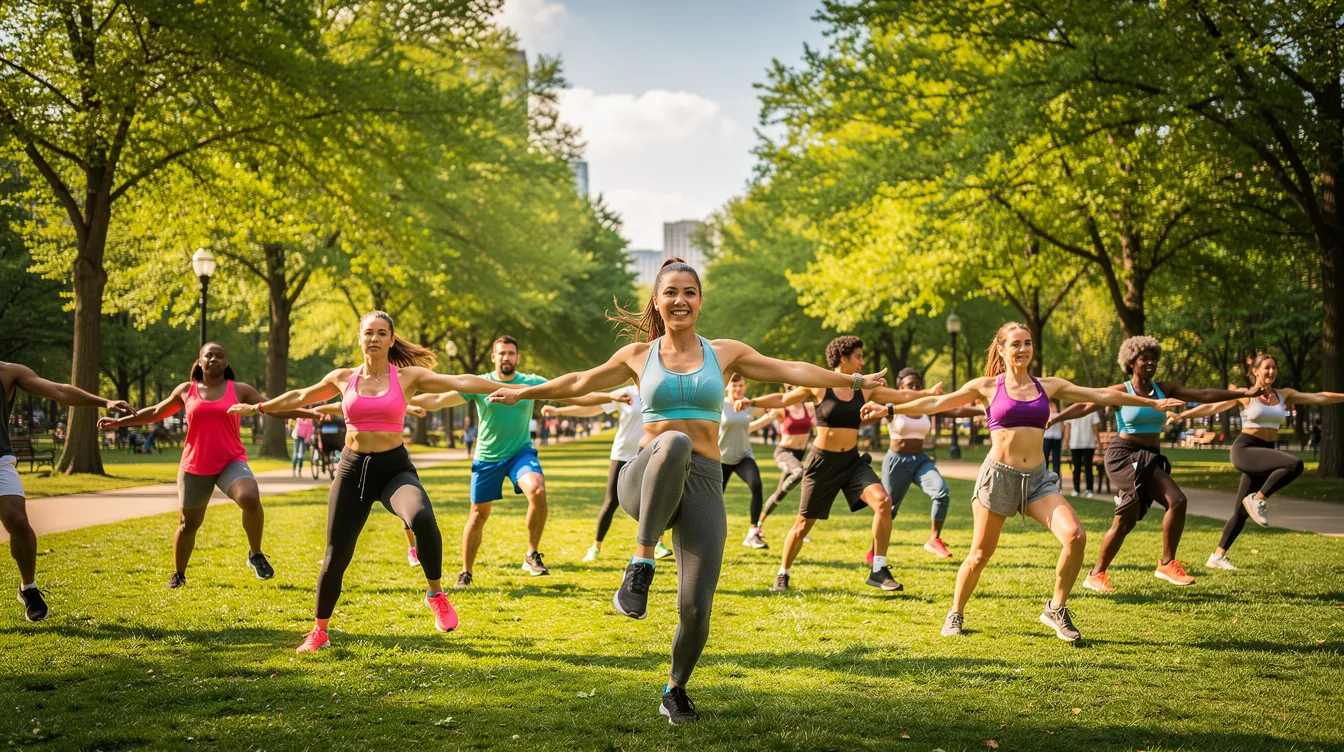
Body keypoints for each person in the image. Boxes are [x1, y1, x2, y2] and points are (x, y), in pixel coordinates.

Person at [483, 258, 890, 724]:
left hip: (703, 481)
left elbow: (792, 368)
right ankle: (641, 562)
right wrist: (523, 393)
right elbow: (579, 380)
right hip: (645, 476)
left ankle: (675, 689)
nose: (680, 300)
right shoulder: (639, 355)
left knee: (696, 606)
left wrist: (852, 380)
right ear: (657, 301)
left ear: (700, 301)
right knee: (674, 441)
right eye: (671, 292)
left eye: (689, 292)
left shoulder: (724, 353)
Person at [889, 323, 1186, 642]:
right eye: (1015, 344)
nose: (1023, 349)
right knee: (979, 555)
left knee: (1075, 536)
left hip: (1037, 480)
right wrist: (890, 409)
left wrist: (1152, 403)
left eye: (1028, 343)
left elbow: (1100, 394)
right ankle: (956, 613)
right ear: (1001, 349)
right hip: (998, 478)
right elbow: (935, 404)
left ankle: (1056, 608)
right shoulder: (986, 386)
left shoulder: (1048, 385)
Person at [230, 311, 503, 652]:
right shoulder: (343, 378)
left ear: (391, 339)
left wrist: (515, 390)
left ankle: (435, 594)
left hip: (394, 470)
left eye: (381, 333)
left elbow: (462, 381)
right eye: (368, 333)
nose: (374, 338)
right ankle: (319, 631)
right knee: (336, 555)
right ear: (359, 338)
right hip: (352, 470)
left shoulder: (407, 377)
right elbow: (300, 396)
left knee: (422, 518)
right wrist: (259, 408)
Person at [99, 343, 323, 589]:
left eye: (219, 356)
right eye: (209, 355)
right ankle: (179, 575)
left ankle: (256, 554)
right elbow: (155, 412)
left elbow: (272, 407)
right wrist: (117, 423)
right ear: (200, 361)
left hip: (231, 461)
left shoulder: (240, 390)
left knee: (249, 497)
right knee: (188, 525)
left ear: (226, 362)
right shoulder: (186, 390)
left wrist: (310, 414)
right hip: (195, 465)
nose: (214, 359)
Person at [1049, 336, 1257, 592]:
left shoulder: (1164, 389)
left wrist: (1243, 393)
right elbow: (1086, 405)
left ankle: (1096, 574)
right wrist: (1055, 418)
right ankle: (1165, 563)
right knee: (1173, 501)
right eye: (1144, 359)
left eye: (1154, 359)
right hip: (1124, 456)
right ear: (1131, 362)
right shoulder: (1122, 390)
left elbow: (1203, 394)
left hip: (1149, 456)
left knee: (1127, 520)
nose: (1150, 363)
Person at [407, 335, 616, 587]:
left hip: (520, 454)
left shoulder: (530, 383)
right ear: (493, 357)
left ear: (517, 357)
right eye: (502, 353)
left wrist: (612, 398)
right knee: (478, 515)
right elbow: (438, 400)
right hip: (487, 457)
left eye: (510, 353)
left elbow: (571, 394)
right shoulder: (480, 384)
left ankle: (531, 554)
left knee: (537, 490)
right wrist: (401, 397)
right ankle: (466, 572)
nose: (506, 357)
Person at [739, 337, 934, 594]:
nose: (862, 362)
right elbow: (784, 399)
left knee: (883, 502)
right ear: (843, 358)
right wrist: (753, 402)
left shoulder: (865, 389)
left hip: (852, 462)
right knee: (803, 524)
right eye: (858, 357)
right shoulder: (820, 386)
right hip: (822, 463)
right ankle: (783, 573)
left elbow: (902, 396)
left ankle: (878, 569)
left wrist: (929, 394)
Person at [1176, 353, 1344, 570]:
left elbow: (1319, 397)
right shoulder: (1245, 395)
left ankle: (1217, 557)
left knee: (1240, 512)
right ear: (1255, 371)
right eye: (1267, 367)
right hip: (1246, 449)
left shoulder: (1284, 394)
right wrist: (1181, 416)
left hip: (1266, 452)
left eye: (1274, 368)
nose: (1271, 371)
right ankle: (1258, 498)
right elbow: (1211, 407)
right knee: (1294, 465)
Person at [1, 362, 132, 621]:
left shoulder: (7, 372)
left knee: (18, 521)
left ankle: (28, 588)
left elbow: (59, 390)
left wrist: (104, 402)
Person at [859, 368, 983, 560]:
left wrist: (984, 409)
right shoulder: (891, 407)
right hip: (897, 462)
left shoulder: (925, 405)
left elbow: (956, 411)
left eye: (918, 385)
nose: (916, 388)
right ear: (901, 388)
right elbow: (865, 417)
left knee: (941, 493)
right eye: (911, 385)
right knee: (888, 509)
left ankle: (934, 539)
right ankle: (874, 550)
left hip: (921, 461)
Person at [540, 388, 669, 562]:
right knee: (611, 502)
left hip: (650, 453)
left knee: (653, 499)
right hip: (622, 454)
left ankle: (658, 544)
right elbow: (592, 407)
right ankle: (596, 546)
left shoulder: (659, 391)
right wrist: (558, 411)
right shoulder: (625, 393)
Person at [720, 374, 776, 549]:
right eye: (735, 385)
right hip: (721, 458)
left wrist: (772, 415)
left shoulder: (748, 404)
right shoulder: (719, 405)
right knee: (715, 498)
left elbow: (765, 411)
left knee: (756, 485)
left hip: (743, 456)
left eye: (741, 385)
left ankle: (753, 533)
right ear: (727, 387)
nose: (738, 389)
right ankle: (708, 534)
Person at [757, 390, 813, 530]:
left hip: (798, 455)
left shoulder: (809, 407)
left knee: (779, 494)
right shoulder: (782, 409)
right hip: (784, 453)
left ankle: (757, 526)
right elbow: (759, 423)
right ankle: (756, 528)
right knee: (799, 472)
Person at [1064, 409, 1102, 497]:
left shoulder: (1091, 410)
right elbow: (1068, 426)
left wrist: (1098, 442)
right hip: (1076, 443)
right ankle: (1077, 489)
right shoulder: (1073, 410)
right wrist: (1066, 441)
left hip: (1088, 444)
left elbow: (1095, 427)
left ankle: (1088, 489)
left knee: (1085, 467)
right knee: (1080, 468)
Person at [1042, 400, 1064, 476]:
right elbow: (1062, 428)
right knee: (1056, 458)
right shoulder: (1059, 416)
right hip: (1057, 437)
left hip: (1047, 437)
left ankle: (1044, 475)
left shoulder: (1046, 415)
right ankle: (1056, 476)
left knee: (1045, 457)